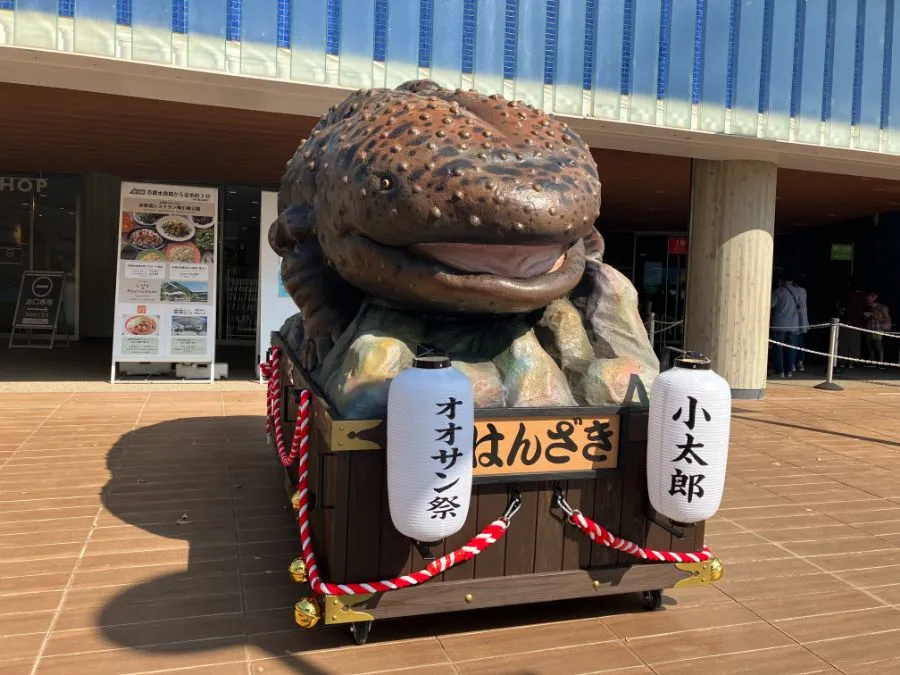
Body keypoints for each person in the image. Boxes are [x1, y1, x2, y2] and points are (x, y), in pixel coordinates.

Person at [771, 274, 801, 378]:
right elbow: (801, 307)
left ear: (781, 280)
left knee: (778, 348)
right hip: (793, 324)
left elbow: (771, 304)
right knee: (790, 349)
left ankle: (780, 371)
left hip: (779, 324)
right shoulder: (798, 292)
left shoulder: (778, 291)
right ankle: (789, 371)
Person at [836, 280, 866, 371]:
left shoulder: (846, 294)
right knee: (854, 344)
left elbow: (839, 306)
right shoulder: (862, 296)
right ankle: (851, 363)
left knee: (843, 343)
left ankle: (842, 362)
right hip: (856, 323)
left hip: (845, 322)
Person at [863, 292, 891, 369]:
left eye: (869, 298)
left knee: (878, 346)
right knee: (870, 346)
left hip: (878, 329)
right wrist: (867, 316)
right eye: (867, 298)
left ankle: (881, 363)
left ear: (874, 298)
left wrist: (874, 316)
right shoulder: (868, 307)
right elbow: (867, 319)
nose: (867, 300)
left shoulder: (882, 307)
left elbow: (888, 319)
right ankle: (871, 362)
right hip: (869, 328)